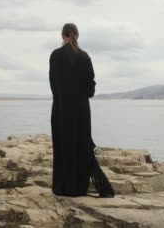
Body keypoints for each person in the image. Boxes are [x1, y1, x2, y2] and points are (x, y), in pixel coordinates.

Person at [49, 23, 115, 198]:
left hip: (61, 109)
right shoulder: (85, 57)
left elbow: (53, 86)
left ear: (62, 36)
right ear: (77, 35)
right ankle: (79, 187)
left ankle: (62, 187)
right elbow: (90, 89)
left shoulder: (55, 56)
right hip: (81, 111)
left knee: (63, 146)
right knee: (80, 145)